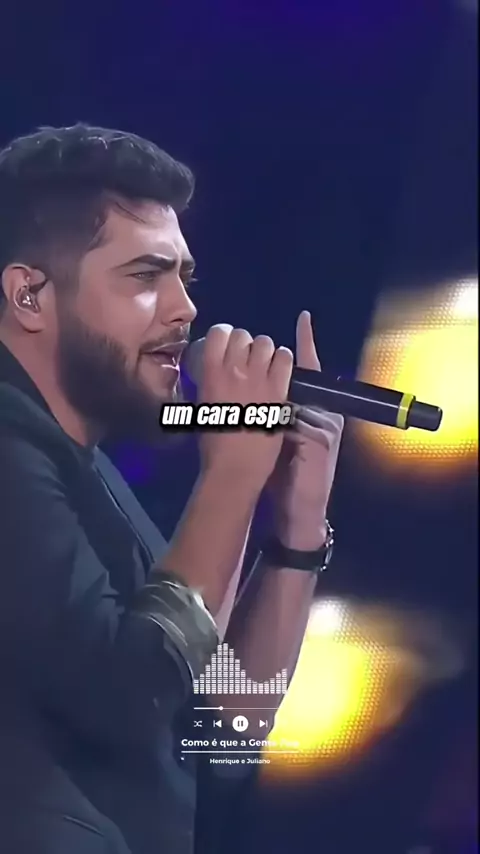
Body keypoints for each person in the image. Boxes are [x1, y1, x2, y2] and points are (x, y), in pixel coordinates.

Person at [0, 124, 344, 854]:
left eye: (185, 277)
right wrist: (233, 472)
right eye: (145, 277)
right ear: (29, 294)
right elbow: (129, 698)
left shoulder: (88, 472)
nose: (185, 309)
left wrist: (297, 530)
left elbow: (224, 733)